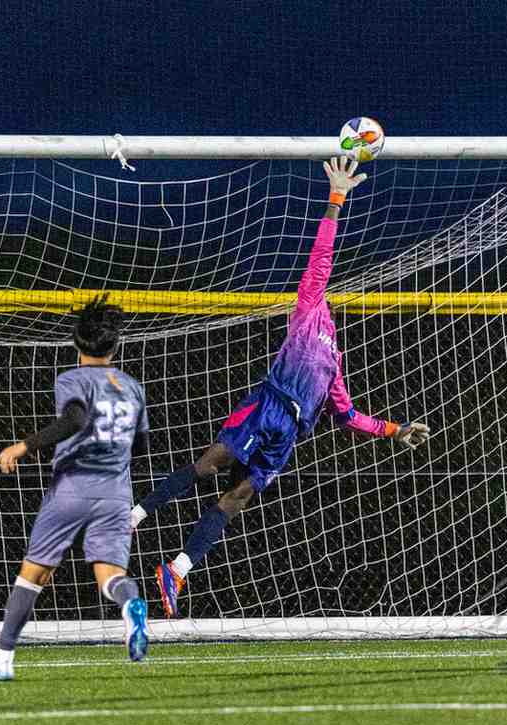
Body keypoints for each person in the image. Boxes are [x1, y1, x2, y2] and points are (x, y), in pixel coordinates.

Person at [130, 157, 431, 618]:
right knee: (213, 464)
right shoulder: (310, 304)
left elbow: (348, 415)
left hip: (288, 433)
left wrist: (394, 429)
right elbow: (321, 256)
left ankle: (178, 568)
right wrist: (337, 197)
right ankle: (132, 517)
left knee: (239, 496)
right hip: (269, 403)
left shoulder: (334, 360)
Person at [0, 297, 150, 681]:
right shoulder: (133, 387)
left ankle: (4, 659)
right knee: (110, 576)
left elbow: (75, 418)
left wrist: (24, 446)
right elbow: (140, 447)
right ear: (114, 346)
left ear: (77, 345)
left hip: (73, 486)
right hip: (115, 493)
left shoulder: (71, 380)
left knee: (32, 576)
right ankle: (131, 606)